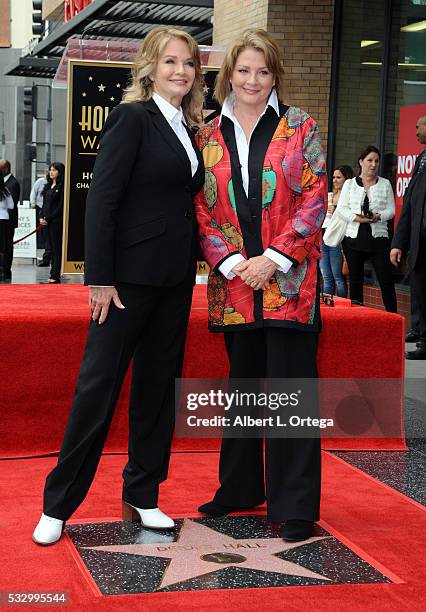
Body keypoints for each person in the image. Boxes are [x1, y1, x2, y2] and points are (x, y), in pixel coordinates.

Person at [32, 26, 205, 545]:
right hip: (125, 282)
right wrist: (99, 278)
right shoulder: (133, 117)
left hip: (175, 281)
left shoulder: (189, 128)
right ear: (150, 67)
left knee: (156, 390)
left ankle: (143, 495)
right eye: (170, 61)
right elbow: (101, 201)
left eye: (189, 63)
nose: (180, 71)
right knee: (97, 389)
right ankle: (57, 506)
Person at [195, 29, 327, 542]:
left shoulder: (300, 127)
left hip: (289, 285)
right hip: (234, 286)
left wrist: (272, 260)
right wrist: (230, 262)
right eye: (243, 70)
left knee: (291, 393)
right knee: (244, 388)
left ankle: (294, 504)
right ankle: (240, 489)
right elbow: (201, 208)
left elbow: (316, 199)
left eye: (263, 71)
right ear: (229, 74)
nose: (252, 81)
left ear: (275, 76)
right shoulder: (207, 133)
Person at [336, 146, 397, 312]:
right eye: (369, 160)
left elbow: (392, 210)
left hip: (378, 240)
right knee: (355, 281)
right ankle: (358, 318)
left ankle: (393, 317)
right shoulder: (349, 184)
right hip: (353, 239)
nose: (373, 164)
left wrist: (379, 216)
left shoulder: (385, 184)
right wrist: (358, 218)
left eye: (376, 161)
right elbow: (341, 209)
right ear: (361, 162)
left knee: (386, 280)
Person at [391, 115, 426, 359]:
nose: (415, 129)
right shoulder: (421, 159)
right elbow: (410, 206)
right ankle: (421, 330)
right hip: (418, 240)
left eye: (419, 125)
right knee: (419, 287)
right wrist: (398, 243)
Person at [320, 165, 354, 297]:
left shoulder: (349, 197)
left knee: (338, 277)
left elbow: (352, 215)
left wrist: (337, 211)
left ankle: (341, 306)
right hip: (324, 236)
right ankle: (327, 308)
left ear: (347, 179)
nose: (335, 180)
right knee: (327, 278)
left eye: (338, 177)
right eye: (333, 177)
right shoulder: (331, 195)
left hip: (337, 239)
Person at [40, 163, 65, 283]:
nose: (51, 172)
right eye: (50, 170)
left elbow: (60, 207)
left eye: (54, 170)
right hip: (46, 222)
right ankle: (52, 273)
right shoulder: (48, 186)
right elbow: (44, 204)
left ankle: (55, 274)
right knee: (49, 248)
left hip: (56, 222)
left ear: (60, 172)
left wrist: (48, 218)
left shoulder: (62, 187)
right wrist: (41, 217)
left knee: (56, 249)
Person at [0, 159, 20, 280]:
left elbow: (13, 206)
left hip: (8, 221)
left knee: (6, 246)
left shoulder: (13, 183)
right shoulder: (5, 186)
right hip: (5, 219)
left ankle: (5, 269)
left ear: (6, 169)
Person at [30, 172, 51, 266]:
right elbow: (33, 192)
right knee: (40, 229)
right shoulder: (40, 181)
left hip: (48, 210)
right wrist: (32, 202)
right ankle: (41, 245)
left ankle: (46, 254)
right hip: (39, 207)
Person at [0, 173, 14, 281]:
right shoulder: (5, 190)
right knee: (3, 247)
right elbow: (11, 206)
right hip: (4, 219)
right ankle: (3, 271)